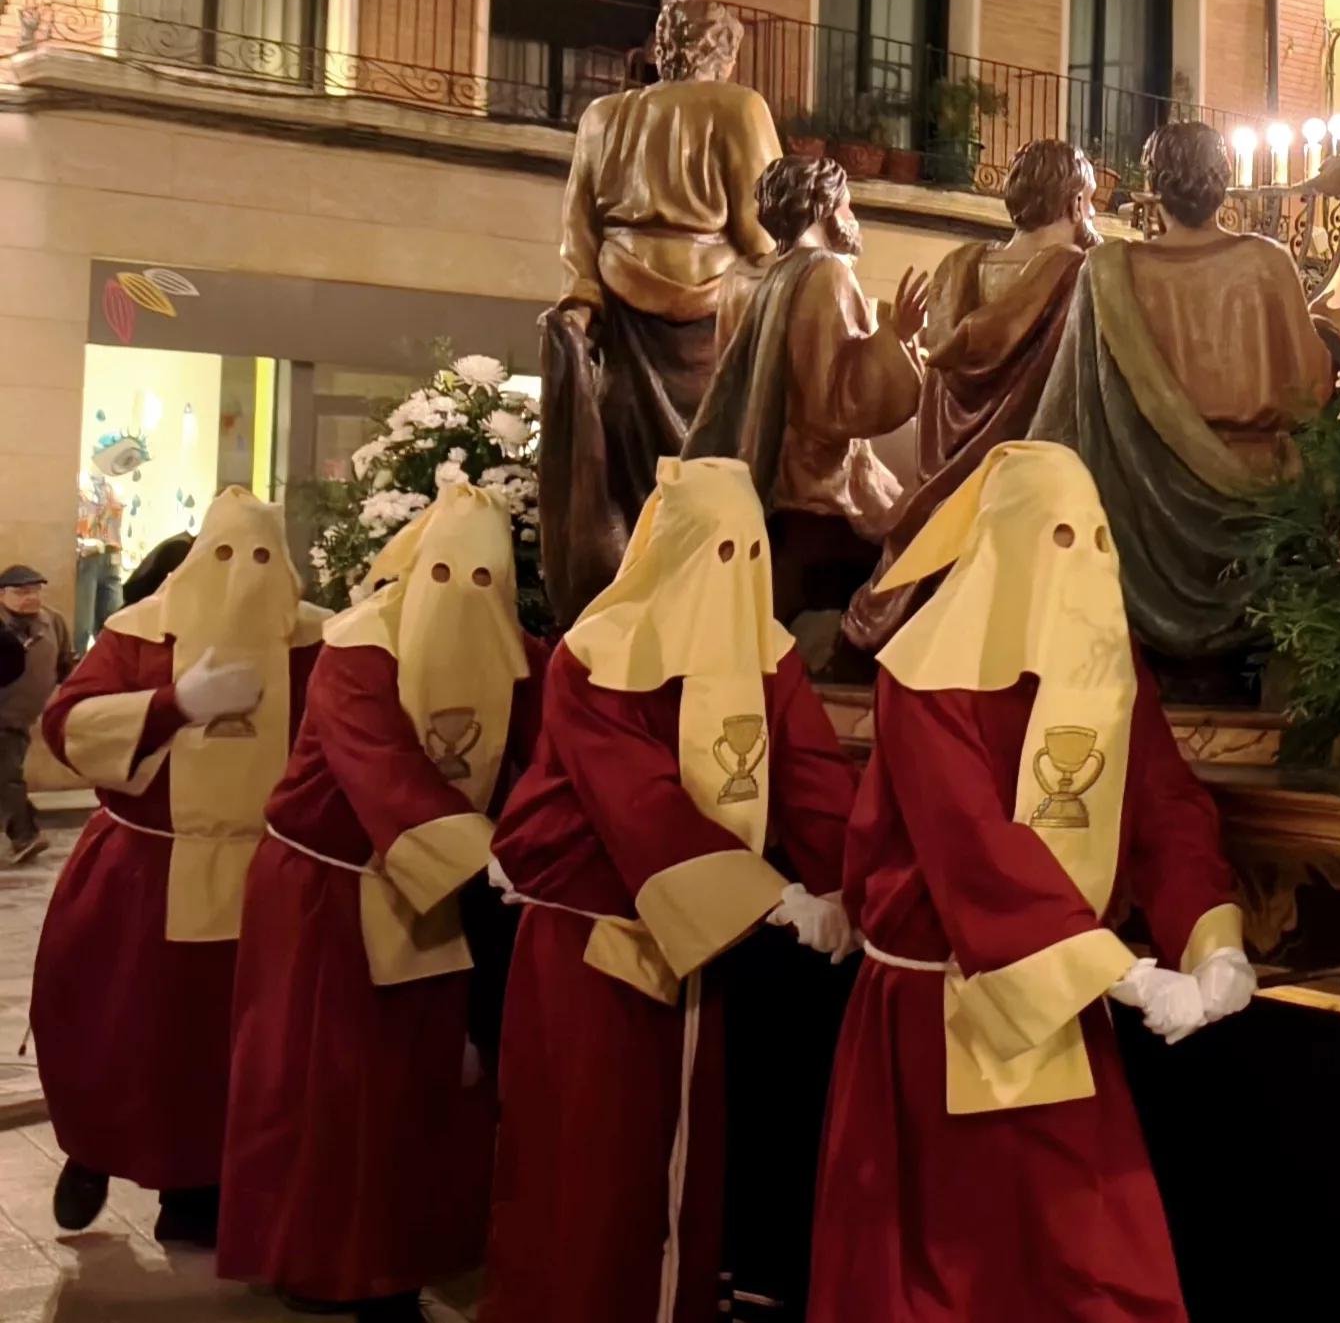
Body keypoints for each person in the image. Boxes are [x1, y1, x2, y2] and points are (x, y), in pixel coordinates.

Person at [809, 440, 1253, 1323]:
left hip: (1063, 1012)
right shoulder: (925, 673)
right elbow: (976, 850)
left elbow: (1164, 808)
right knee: (944, 1283)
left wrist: (1214, 943)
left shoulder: (1110, 657)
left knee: (1090, 1271)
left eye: (1096, 535)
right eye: (1058, 535)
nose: (1082, 558)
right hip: (935, 1022)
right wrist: (1127, 975)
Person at [483, 456, 858, 1323]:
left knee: (677, 1169)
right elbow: (635, 798)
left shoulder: (767, 655)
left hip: (698, 949)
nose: (734, 573)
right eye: (714, 550)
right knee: (589, 1163)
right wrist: (770, 897)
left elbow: (811, 780)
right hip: (593, 950)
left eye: (749, 552)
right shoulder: (596, 654)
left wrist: (849, 889)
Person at [217, 486, 549, 1320]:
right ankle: (321, 1261)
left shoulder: (520, 653)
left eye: (486, 576)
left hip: (434, 889)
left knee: (414, 1090)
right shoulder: (356, 650)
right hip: (326, 890)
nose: (465, 588)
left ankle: (400, 1257)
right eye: (445, 569)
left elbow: (542, 759)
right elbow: (383, 776)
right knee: (325, 1088)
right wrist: (501, 858)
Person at [32, 490, 328, 1246]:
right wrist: (173, 703)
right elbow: (68, 723)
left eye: (261, 558)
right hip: (146, 868)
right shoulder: (138, 635)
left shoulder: (321, 641)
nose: (241, 578)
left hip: (268, 871)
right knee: (115, 1030)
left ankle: (204, 1187)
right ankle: (93, 1146)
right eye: (223, 556)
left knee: (236, 1047)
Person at [1030, 122, 1334, 679]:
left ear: (1154, 187)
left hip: (1139, 508)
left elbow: (1064, 415)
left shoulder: (1107, 274)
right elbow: (1312, 395)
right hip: (1258, 502)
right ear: (1223, 184)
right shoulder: (1268, 263)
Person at [540, 0, 784, 628]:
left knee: (628, 482)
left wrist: (581, 306)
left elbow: (578, 230)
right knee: (713, 475)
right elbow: (763, 229)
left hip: (621, 323)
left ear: (662, 49)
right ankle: (704, 613)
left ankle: (627, 614)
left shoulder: (604, 116)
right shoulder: (738, 108)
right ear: (724, 53)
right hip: (713, 328)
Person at [842, 139, 1100, 654]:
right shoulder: (1078, 275)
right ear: (1074, 204)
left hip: (945, 476)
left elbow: (935, 370)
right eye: (1090, 201)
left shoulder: (958, 267)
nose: (1091, 213)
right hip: (1029, 490)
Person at [685, 156, 928, 625]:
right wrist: (897, 335)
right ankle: (857, 643)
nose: (853, 219)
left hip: (755, 474)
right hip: (819, 486)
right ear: (823, 207)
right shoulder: (826, 273)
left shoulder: (740, 277)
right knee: (926, 544)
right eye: (848, 206)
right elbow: (838, 403)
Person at [0, 564, 76, 864]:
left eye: (34, 591)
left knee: (6, 774)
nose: (30, 598)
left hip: (21, 714)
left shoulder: (52, 621)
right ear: (2, 594)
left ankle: (26, 830)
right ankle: (25, 834)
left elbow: (64, 664)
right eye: (21, 592)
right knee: (7, 775)